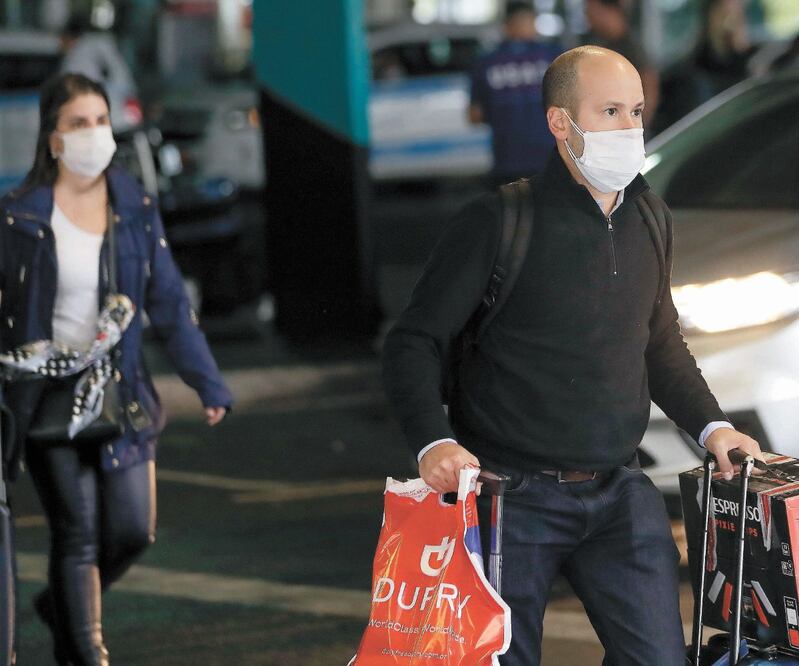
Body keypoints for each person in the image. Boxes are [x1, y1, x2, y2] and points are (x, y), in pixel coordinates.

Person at [383, 46, 764, 665]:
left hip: (621, 492)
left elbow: (658, 340)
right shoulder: (499, 220)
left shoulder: (649, 216)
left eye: (636, 111)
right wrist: (433, 442)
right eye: (609, 111)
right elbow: (413, 341)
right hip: (511, 498)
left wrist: (713, 427)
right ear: (561, 123)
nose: (629, 128)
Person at [0, 73, 233, 665]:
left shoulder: (134, 207)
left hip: (121, 393)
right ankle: (87, 651)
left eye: (101, 121)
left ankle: (63, 606)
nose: (94, 133)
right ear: (54, 138)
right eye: (78, 123)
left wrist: (206, 381)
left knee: (132, 530)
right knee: (76, 533)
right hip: (45, 399)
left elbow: (169, 302)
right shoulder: (20, 218)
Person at [468, 2, 562, 184]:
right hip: (549, 156)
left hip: (507, 157)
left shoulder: (486, 61)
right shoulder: (554, 56)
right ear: (533, 22)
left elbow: (474, 115)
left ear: (506, 25)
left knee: (511, 201)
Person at [583, 0, 659, 129]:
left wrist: (634, 127)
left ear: (608, 10)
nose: (587, 15)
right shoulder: (595, 42)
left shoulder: (632, 47)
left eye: (591, 10)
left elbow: (650, 88)